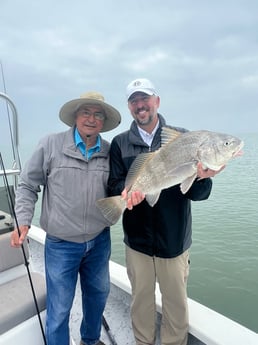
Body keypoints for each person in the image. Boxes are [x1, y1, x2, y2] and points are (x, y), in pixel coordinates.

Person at [108, 78, 223, 345]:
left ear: (156, 101)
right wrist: (127, 194)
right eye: (134, 101)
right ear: (129, 107)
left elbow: (198, 194)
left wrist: (202, 177)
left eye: (145, 99)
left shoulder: (185, 138)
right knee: (141, 300)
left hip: (174, 241)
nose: (141, 105)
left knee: (176, 303)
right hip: (137, 243)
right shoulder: (119, 143)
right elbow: (114, 184)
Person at [11, 91, 121, 345]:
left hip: (99, 240)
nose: (91, 119)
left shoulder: (109, 151)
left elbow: (119, 188)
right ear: (75, 116)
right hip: (61, 244)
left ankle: (90, 340)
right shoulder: (49, 144)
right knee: (59, 307)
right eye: (86, 112)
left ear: (104, 121)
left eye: (98, 114)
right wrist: (23, 220)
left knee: (98, 296)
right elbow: (28, 185)